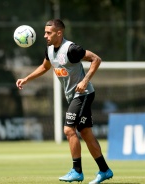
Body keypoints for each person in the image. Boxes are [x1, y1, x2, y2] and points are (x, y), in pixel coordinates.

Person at [16, 19, 113, 184]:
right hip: (73, 96)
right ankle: (104, 170)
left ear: (59, 33)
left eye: (49, 33)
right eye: (45, 32)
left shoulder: (72, 49)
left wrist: (85, 80)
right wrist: (27, 79)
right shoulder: (50, 50)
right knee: (86, 132)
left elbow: (96, 59)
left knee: (69, 130)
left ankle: (77, 171)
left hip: (83, 94)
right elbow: (45, 67)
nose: (45, 36)